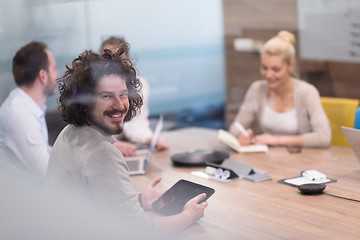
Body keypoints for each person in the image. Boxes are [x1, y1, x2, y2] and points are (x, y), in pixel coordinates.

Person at [46, 49, 207, 233]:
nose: (119, 105)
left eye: (123, 94)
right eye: (106, 96)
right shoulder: (102, 152)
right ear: (84, 104)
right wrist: (188, 216)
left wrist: (141, 201)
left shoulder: (69, 133)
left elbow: (95, 203)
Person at [229, 31, 331, 148]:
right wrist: (241, 135)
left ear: (291, 65)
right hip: (268, 160)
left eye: (276, 69)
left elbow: (324, 137)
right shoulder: (257, 89)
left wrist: (276, 140)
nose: (268, 75)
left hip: (302, 159)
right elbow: (235, 127)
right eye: (264, 68)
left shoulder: (307, 92)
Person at [100, 36, 168, 157]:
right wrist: (109, 144)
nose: (113, 65)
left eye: (119, 60)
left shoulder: (139, 85)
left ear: (128, 60)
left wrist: (150, 139)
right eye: (107, 60)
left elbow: (135, 124)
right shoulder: (93, 88)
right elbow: (87, 131)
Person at [0, 41, 59, 178]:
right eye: (54, 69)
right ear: (43, 76)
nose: (57, 75)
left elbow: (46, 152)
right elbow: (48, 172)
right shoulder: (21, 115)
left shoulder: (26, 106)